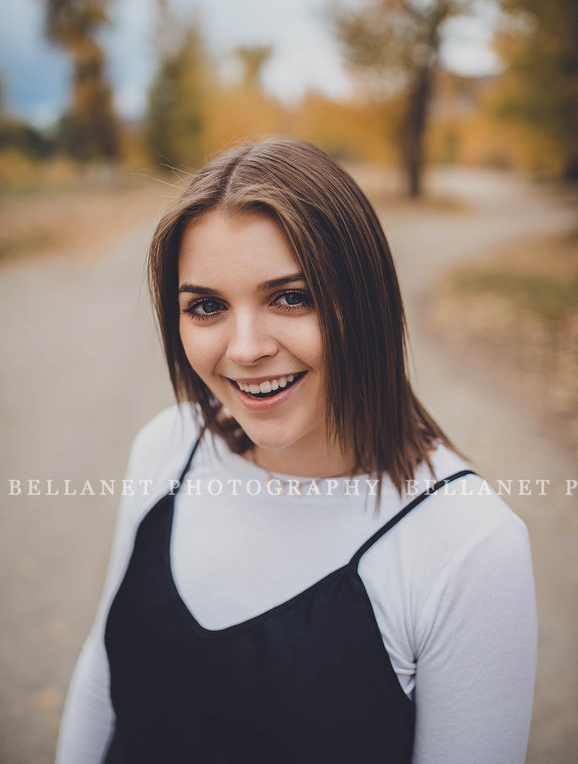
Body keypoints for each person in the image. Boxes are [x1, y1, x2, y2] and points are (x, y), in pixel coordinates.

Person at [56, 138, 537, 764]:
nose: (246, 347)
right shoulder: (168, 447)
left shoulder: (469, 546)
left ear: (364, 301)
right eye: (206, 306)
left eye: (291, 297)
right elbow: (103, 675)